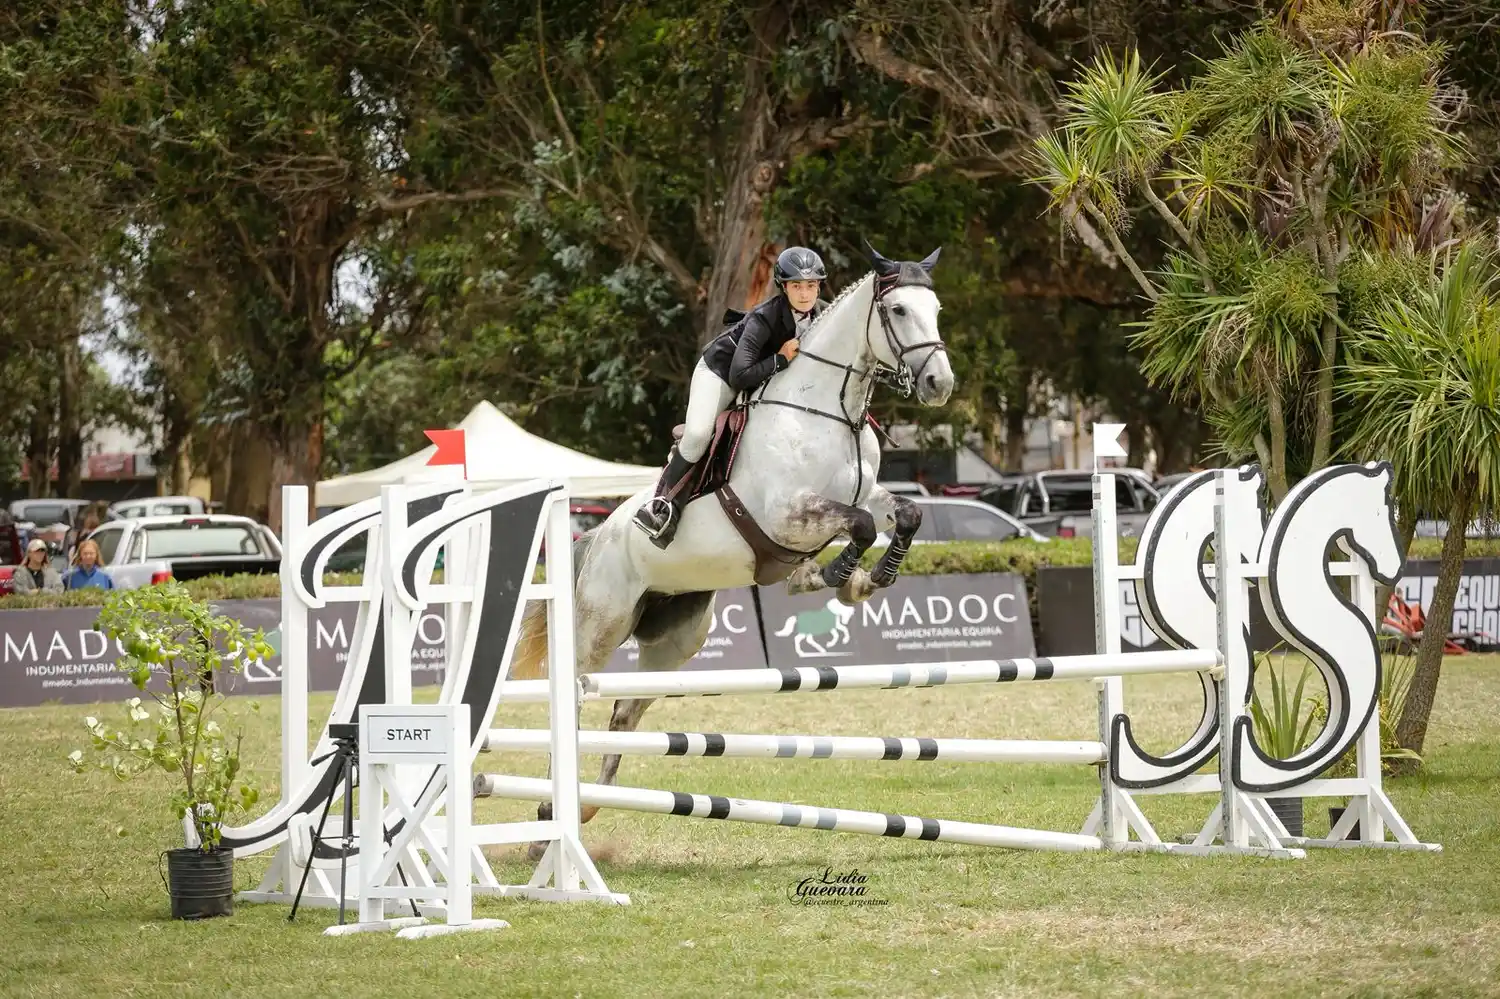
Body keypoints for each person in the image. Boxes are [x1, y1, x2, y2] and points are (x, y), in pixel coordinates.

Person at [633, 246, 828, 549]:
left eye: (811, 285)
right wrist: (779, 359)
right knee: (698, 434)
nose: (805, 294)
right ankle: (660, 506)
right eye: (797, 286)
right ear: (784, 287)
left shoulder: (823, 314)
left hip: (766, 381)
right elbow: (740, 376)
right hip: (721, 373)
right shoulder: (764, 318)